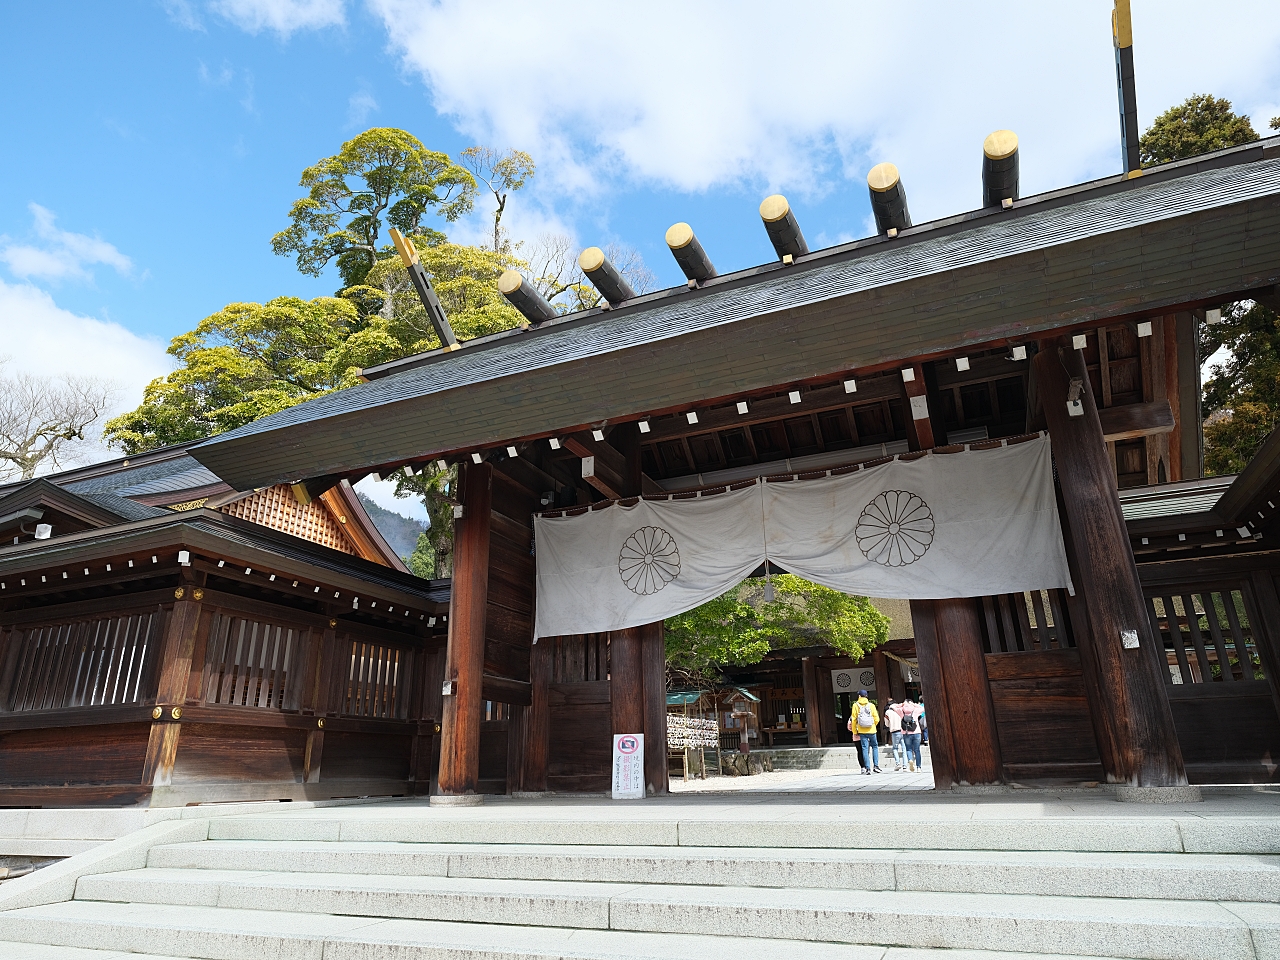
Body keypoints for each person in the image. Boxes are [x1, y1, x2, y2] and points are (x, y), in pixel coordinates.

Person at [851, 690, 881, 773]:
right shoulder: (871, 705)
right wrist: (873, 725)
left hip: (861, 730)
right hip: (872, 730)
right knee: (874, 747)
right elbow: (876, 718)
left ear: (859, 696)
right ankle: (876, 766)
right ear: (866, 696)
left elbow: (853, 719)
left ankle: (867, 768)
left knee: (864, 748)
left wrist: (855, 731)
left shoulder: (855, 705)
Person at [899, 698, 923, 772]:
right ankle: (919, 767)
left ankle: (910, 760)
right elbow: (923, 708)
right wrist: (914, 704)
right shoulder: (915, 710)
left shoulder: (901, 711)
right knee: (917, 750)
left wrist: (902, 704)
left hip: (906, 733)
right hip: (916, 732)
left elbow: (892, 707)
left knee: (908, 749)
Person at [883, 699, 905, 771]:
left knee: (895, 748)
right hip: (902, 730)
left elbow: (886, 723)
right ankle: (905, 765)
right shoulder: (900, 710)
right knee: (904, 748)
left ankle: (898, 763)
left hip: (894, 731)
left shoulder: (888, 712)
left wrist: (890, 725)